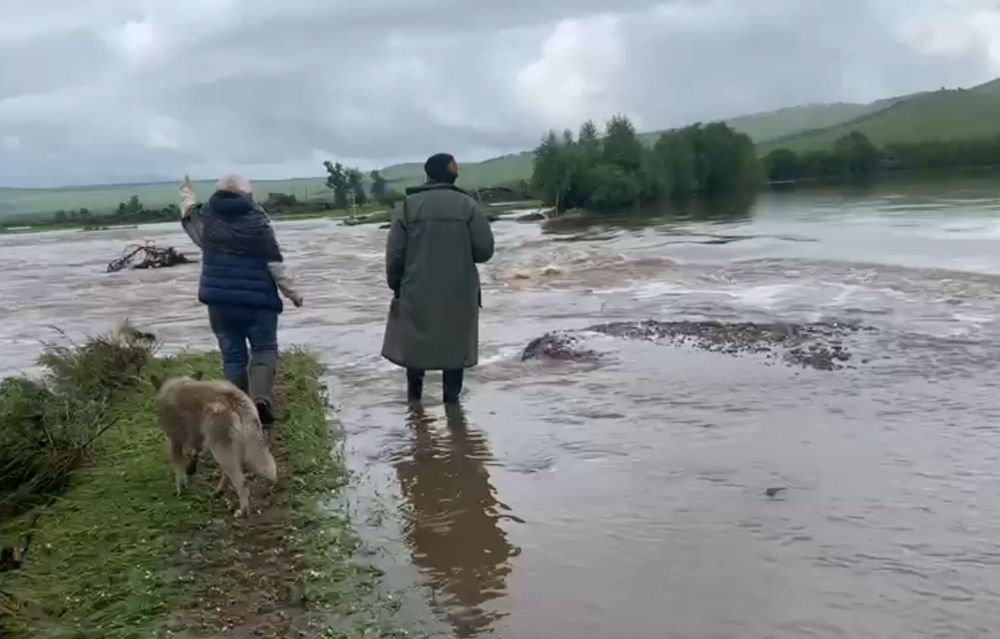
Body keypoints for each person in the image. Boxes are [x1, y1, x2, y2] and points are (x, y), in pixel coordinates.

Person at [178, 174, 303, 426]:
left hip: (220, 303)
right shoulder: (258, 221)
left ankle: (238, 408)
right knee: (264, 349)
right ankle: (259, 401)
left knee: (232, 356)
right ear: (246, 194)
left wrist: (186, 194)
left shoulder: (209, 220)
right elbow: (274, 264)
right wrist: (293, 293)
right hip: (259, 304)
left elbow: (189, 218)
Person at [381, 153, 495, 404]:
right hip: (459, 293)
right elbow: (484, 251)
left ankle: (415, 410)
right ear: (449, 174)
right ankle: (453, 414)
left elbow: (395, 254)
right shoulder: (467, 205)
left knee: (415, 350)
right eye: (456, 168)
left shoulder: (409, 206)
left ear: (428, 175)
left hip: (416, 290)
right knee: (455, 353)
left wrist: (396, 285)